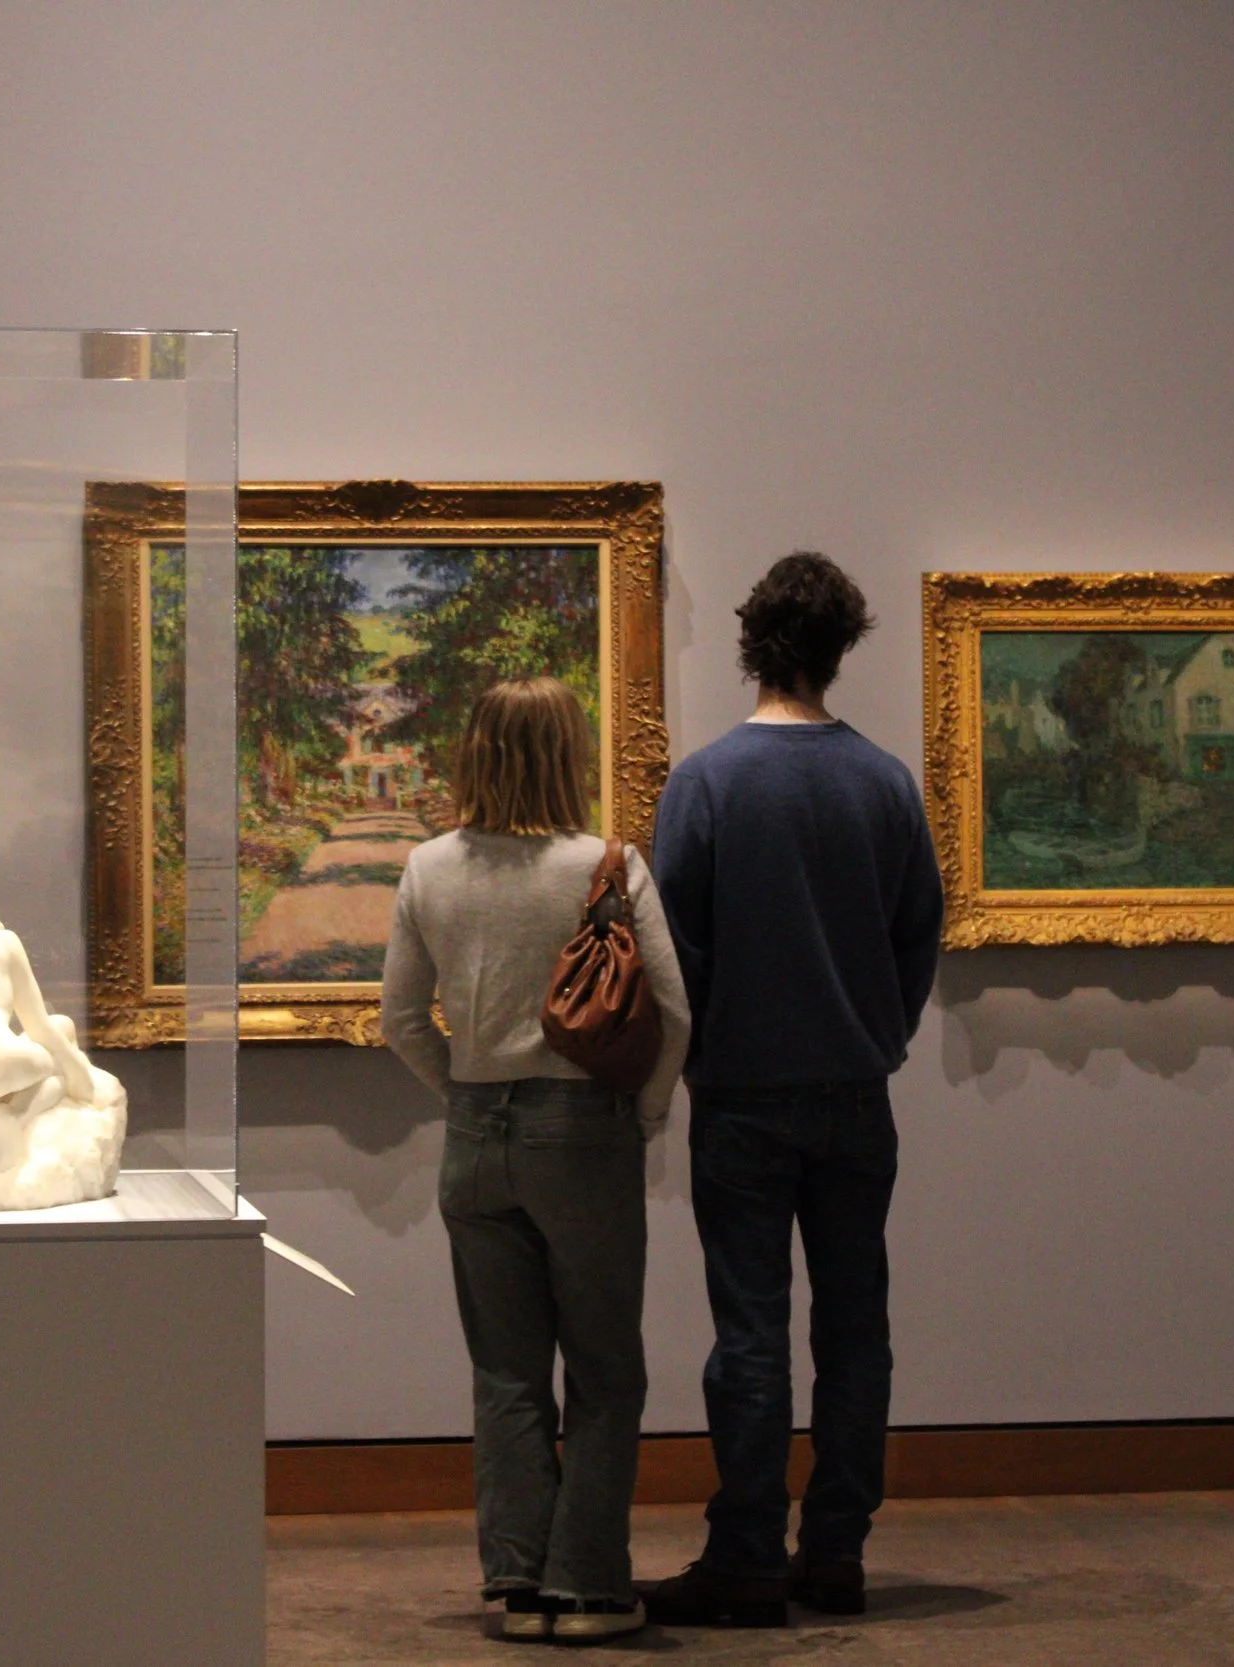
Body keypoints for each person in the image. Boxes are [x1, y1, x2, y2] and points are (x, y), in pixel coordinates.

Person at [642, 552, 942, 1626]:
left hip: (744, 1094)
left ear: (748, 642)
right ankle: (836, 1550)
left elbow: (674, 950)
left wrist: (698, 1056)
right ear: (841, 648)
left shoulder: (709, 780)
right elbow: (918, 939)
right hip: (858, 1091)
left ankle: (745, 1555)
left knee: (751, 1330)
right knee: (857, 1326)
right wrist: (876, 1033)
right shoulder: (883, 780)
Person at [383, 675, 692, 1644]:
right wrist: (640, 1112)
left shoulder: (428, 867)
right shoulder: (606, 864)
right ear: (568, 752)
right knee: (604, 1367)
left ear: (475, 747)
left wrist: (468, 1095)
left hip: (474, 1140)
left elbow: (399, 1020)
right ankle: (587, 1586)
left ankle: (517, 1581)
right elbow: (674, 1011)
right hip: (583, 1132)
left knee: (506, 1372)